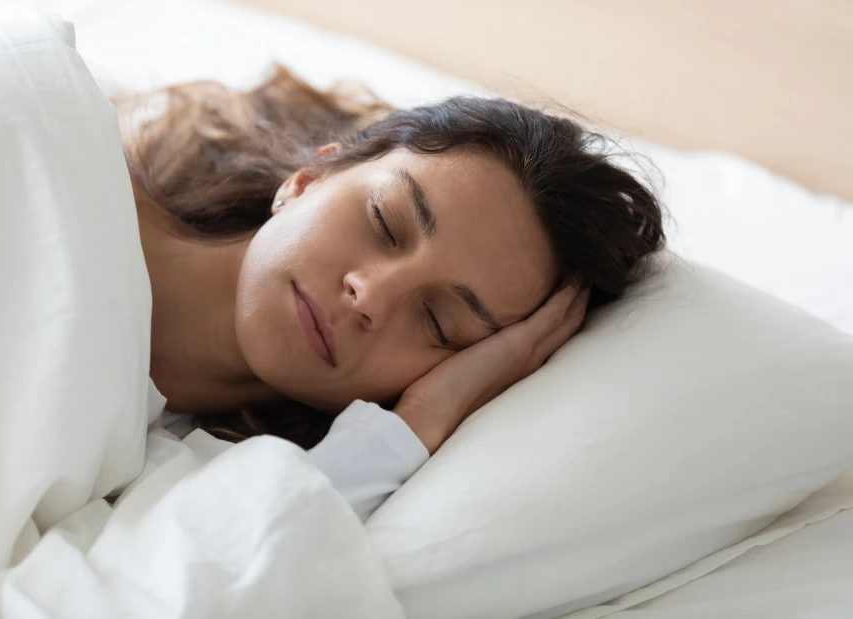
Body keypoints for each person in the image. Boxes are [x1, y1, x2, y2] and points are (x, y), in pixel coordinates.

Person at [120, 67, 664, 520]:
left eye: (437, 323)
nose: (371, 298)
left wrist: (423, 419)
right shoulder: (60, 164)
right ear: (309, 179)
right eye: (383, 222)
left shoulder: (199, 488)